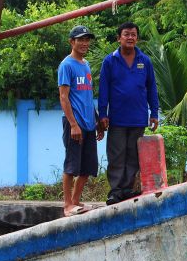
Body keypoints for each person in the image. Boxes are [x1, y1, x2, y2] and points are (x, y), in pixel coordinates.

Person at [98, 22, 159, 205]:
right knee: (116, 155)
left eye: (133, 34)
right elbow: (103, 90)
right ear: (119, 38)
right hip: (117, 118)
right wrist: (102, 114)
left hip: (139, 118)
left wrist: (154, 112)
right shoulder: (109, 61)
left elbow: (152, 88)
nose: (130, 37)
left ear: (137, 38)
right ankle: (115, 192)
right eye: (126, 34)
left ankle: (127, 190)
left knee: (133, 156)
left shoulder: (145, 61)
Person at [58, 25, 105, 216]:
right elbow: (64, 97)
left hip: (88, 123)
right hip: (74, 124)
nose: (85, 43)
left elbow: (87, 97)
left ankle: (76, 201)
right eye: (81, 39)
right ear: (72, 42)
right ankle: (67, 205)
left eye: (87, 40)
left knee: (87, 166)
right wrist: (74, 124)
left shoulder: (85, 65)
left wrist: (97, 122)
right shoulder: (66, 65)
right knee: (71, 165)